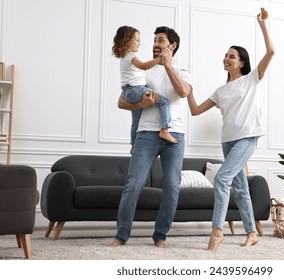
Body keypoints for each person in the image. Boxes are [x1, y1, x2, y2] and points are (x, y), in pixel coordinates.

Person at [186, 7, 275, 251]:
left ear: (242, 62)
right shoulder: (220, 91)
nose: (227, 58)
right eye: (226, 55)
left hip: (247, 137)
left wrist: (263, 25)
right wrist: (188, 89)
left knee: (223, 178)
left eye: (232, 56)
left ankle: (217, 230)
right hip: (228, 141)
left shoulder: (252, 79)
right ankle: (251, 232)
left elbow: (271, 51)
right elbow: (195, 110)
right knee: (240, 186)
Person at [111, 26, 192, 248]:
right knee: (133, 183)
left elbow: (183, 92)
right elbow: (121, 102)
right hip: (146, 134)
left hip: (174, 135)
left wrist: (167, 66)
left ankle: (160, 235)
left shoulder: (183, 71)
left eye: (161, 40)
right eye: (154, 40)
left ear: (172, 46)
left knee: (172, 185)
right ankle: (121, 236)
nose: (155, 44)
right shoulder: (143, 70)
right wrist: (142, 103)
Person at [112, 25, 177, 152]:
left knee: (136, 118)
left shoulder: (125, 57)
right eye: (137, 40)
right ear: (127, 40)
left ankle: (133, 144)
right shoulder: (131, 56)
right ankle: (164, 130)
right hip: (135, 89)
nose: (139, 43)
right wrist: (160, 59)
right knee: (164, 102)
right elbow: (144, 66)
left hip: (128, 90)